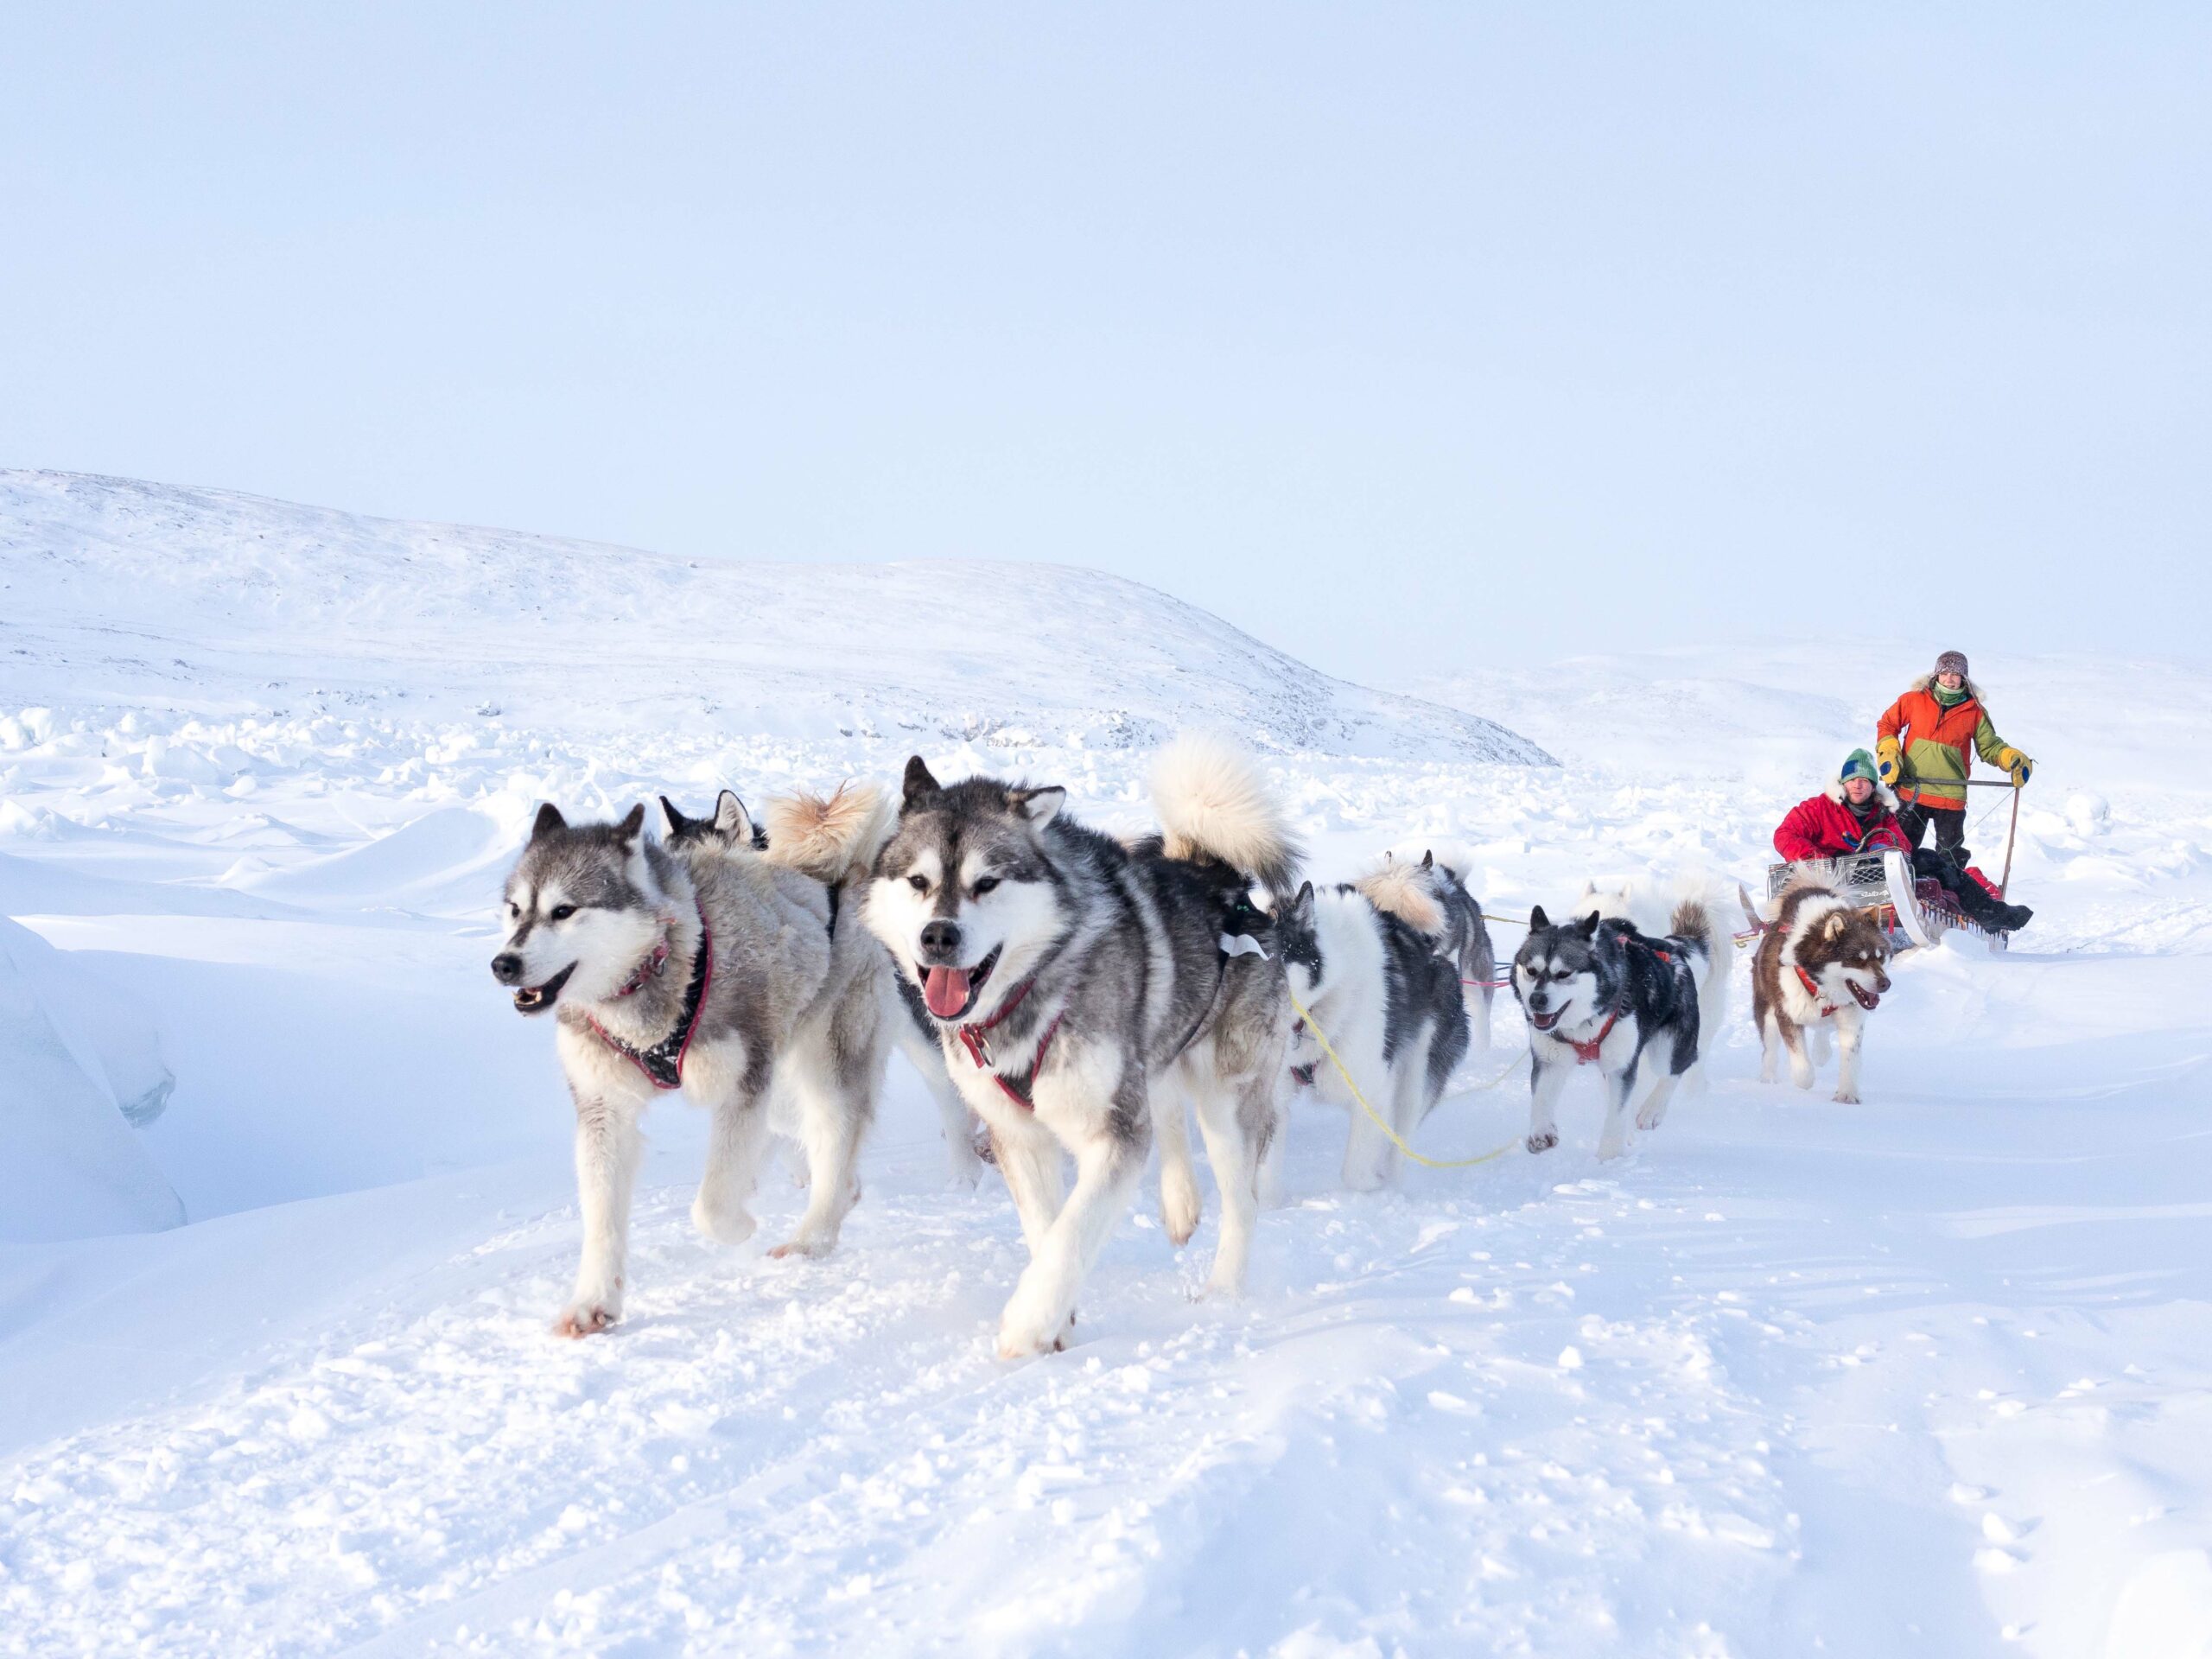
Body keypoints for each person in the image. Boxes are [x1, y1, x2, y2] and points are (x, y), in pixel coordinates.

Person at [1774, 749, 2031, 932]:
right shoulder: (1818, 808)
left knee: (1929, 859)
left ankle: (1990, 913)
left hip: (1875, 872)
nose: (1858, 786)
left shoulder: (1883, 812)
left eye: (1864, 780)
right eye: (1852, 780)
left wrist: (1885, 846)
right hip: (1832, 874)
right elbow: (1784, 835)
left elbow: (1903, 847)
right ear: (1843, 783)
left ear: (1873, 786)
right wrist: (1818, 859)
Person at [1875, 650, 2033, 855]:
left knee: (1949, 859)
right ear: (1936, 676)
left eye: (1955, 674)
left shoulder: (1975, 711)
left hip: (1951, 795)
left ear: (1963, 678)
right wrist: (1889, 753)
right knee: (1899, 852)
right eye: (1944, 673)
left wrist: (2011, 758)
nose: (1949, 678)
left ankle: (1948, 889)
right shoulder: (1913, 700)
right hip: (1911, 790)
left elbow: (1989, 747)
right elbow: (1887, 724)